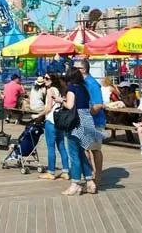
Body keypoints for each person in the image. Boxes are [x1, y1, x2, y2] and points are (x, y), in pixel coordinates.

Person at [61, 68, 103, 196]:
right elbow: (89, 106)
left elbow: (70, 105)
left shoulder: (71, 89)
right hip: (86, 121)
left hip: (75, 123)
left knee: (74, 155)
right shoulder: (84, 89)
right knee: (82, 153)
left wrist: (60, 100)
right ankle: (90, 182)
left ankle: (75, 184)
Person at [75, 59, 106, 184]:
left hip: (95, 121)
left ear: (83, 70)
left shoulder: (91, 83)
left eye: (76, 68)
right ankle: (90, 171)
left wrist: (86, 115)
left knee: (95, 149)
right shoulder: (81, 83)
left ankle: (98, 174)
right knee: (85, 148)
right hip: (84, 121)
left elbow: (98, 104)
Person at [35, 73, 70, 180]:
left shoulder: (50, 90)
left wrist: (38, 115)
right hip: (59, 121)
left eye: (47, 78)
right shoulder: (59, 90)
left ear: (52, 80)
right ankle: (66, 171)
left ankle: (51, 172)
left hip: (51, 120)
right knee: (62, 146)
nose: (44, 80)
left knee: (51, 147)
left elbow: (48, 108)